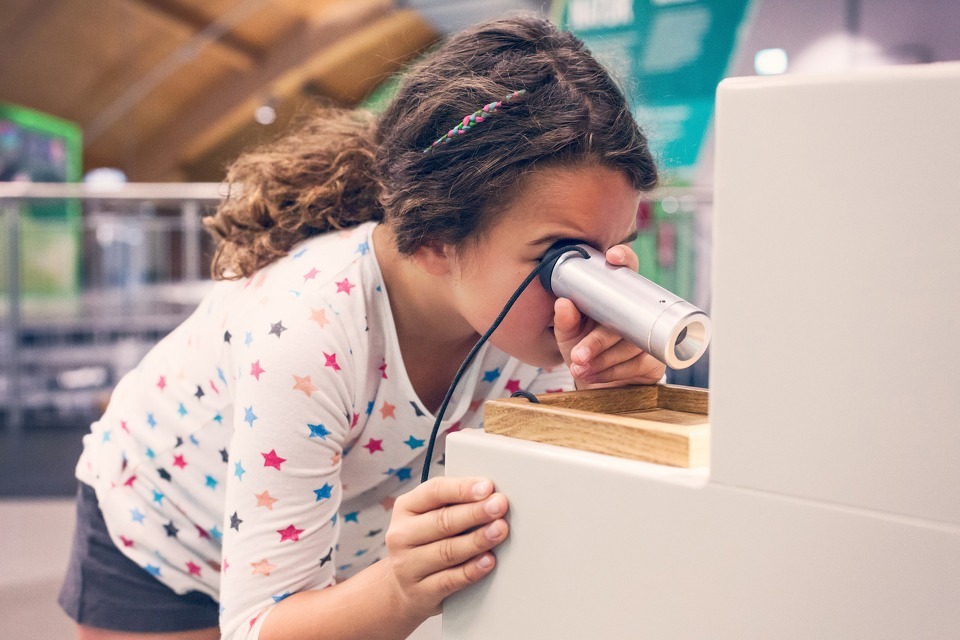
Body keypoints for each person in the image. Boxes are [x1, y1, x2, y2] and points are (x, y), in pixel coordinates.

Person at [58, 12, 664, 640]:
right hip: (167, 532)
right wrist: (398, 588)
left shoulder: (523, 315)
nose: (599, 292)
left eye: (615, 251)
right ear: (433, 238)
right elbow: (259, 628)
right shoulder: (309, 333)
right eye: (565, 259)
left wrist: (613, 404)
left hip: (335, 549)